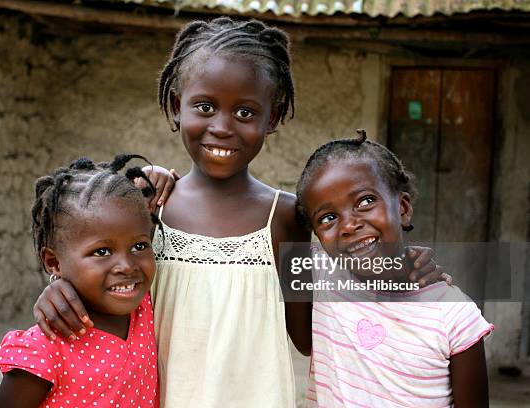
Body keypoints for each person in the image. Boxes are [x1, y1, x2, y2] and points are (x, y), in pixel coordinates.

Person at [32, 18, 447, 407]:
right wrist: (59, 288)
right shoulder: (146, 208)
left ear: (273, 117)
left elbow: (307, 335)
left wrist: (395, 273)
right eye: (205, 107)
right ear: (177, 106)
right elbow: (103, 277)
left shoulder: (286, 218)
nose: (223, 126)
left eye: (245, 112)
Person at [296, 130, 493, 407]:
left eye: (365, 201)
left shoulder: (455, 315)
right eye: (328, 218)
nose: (349, 225)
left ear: (402, 208)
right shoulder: (320, 279)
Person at [0, 155, 160, 408]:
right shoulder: (45, 348)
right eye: (102, 252)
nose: (127, 266)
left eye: (139, 246)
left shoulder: (147, 308)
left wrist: (162, 176)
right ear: (54, 262)